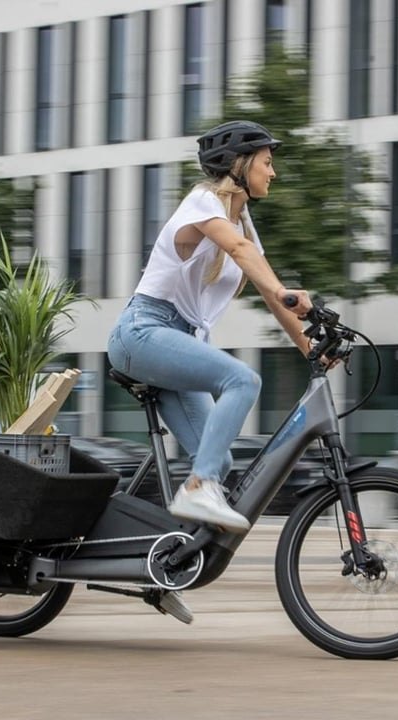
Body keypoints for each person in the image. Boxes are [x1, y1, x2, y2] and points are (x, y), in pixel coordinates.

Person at [108, 120, 318, 539]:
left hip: (176, 340)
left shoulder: (243, 224)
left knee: (218, 461)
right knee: (242, 380)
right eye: (267, 162)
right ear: (239, 165)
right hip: (143, 331)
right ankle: (198, 487)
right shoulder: (203, 202)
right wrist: (285, 291)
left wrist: (310, 347)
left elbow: (267, 289)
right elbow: (241, 255)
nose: (273, 173)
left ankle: (165, 561)